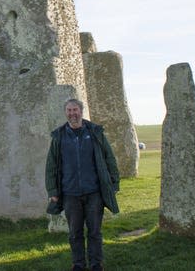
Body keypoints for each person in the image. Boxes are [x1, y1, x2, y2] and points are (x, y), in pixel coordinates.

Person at [45, 99, 120, 271]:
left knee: (94, 231)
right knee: (74, 232)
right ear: (66, 113)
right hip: (70, 193)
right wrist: (52, 190)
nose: (73, 113)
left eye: (75, 110)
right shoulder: (59, 136)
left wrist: (114, 183)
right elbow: (51, 166)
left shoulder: (94, 132)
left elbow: (109, 157)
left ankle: (96, 264)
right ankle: (78, 264)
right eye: (69, 110)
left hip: (94, 192)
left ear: (81, 111)